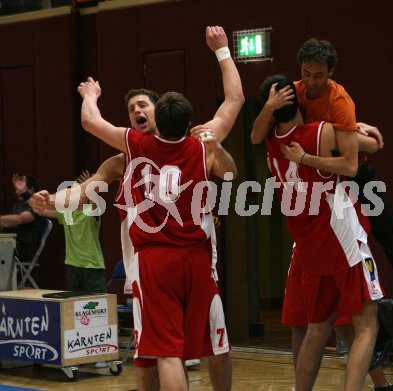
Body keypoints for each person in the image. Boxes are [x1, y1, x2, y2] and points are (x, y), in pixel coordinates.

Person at [33, 25, 243, 391]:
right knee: (149, 355)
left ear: (160, 112)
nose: (135, 110)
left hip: (164, 262)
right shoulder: (143, 155)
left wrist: (90, 94)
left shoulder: (146, 147)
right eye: (131, 108)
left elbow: (89, 121)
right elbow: (84, 193)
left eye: (142, 104)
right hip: (159, 266)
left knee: (188, 349)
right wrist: (52, 201)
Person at [252, 74, 383, 391]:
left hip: (308, 243)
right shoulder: (320, 133)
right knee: (367, 323)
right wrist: (354, 129)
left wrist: (268, 108)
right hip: (340, 235)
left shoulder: (271, 141)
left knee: (317, 327)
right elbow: (372, 145)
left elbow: (255, 133)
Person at [29, 170, 106, 293]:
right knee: (75, 306)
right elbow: (39, 210)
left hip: (92, 267)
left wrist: (91, 184)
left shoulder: (91, 212)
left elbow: (95, 200)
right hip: (73, 266)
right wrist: (28, 196)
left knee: (97, 306)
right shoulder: (66, 213)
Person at [0, 174, 45, 262]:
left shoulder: (37, 206)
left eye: (19, 189)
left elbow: (19, 219)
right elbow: (7, 223)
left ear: (31, 190)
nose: (16, 192)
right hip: (8, 240)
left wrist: (1, 219)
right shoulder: (18, 205)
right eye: (16, 189)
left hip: (18, 247)